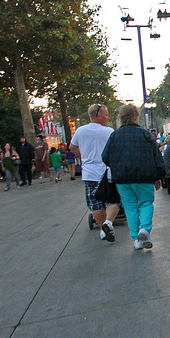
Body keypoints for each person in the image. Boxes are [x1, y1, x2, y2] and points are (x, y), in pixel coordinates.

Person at [102, 104, 166, 250]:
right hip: (144, 177)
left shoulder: (115, 135)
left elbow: (105, 157)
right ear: (136, 117)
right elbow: (156, 157)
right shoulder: (145, 134)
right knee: (146, 203)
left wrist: (118, 165)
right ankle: (145, 228)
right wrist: (158, 176)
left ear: (121, 117)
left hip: (122, 179)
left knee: (130, 208)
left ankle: (136, 239)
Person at [69, 103, 120, 243]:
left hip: (89, 173)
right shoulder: (109, 131)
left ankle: (102, 230)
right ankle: (108, 223)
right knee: (114, 200)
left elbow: (72, 147)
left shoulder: (80, 131)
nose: (108, 117)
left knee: (95, 204)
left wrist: (83, 157)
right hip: (107, 172)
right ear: (98, 115)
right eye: (106, 114)